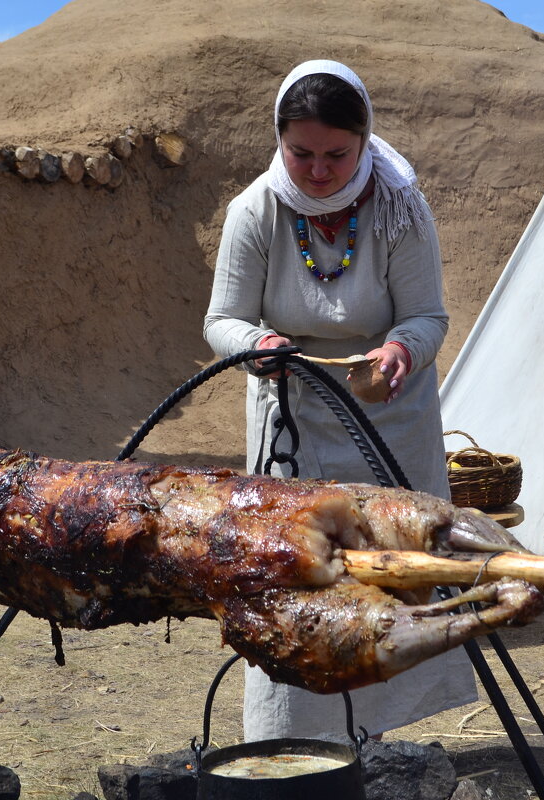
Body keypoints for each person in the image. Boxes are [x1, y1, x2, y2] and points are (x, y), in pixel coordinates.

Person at [203, 60, 475, 741]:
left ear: (363, 142)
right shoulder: (256, 210)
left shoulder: (400, 206)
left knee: (389, 573)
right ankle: (294, 741)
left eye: (335, 154)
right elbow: (221, 320)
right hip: (289, 420)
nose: (317, 171)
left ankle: (376, 742)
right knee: (295, 578)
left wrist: (401, 351)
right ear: (279, 140)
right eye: (301, 153)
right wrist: (258, 342)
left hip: (390, 421)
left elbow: (427, 315)